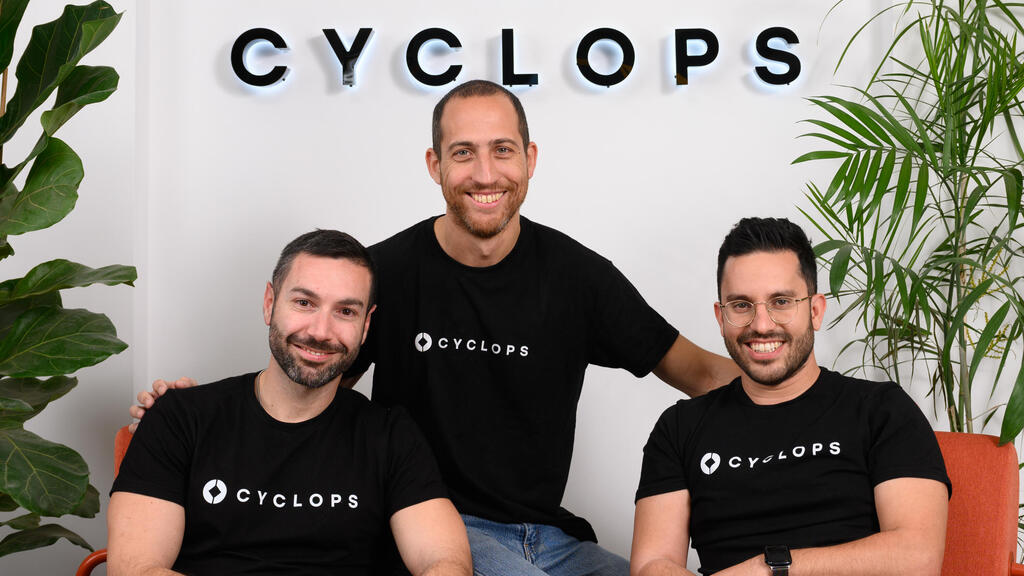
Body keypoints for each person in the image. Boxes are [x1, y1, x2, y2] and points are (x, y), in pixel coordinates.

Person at [131, 80, 739, 575]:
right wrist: (195, 423)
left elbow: (701, 372)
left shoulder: (579, 277)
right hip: (426, 522)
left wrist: (793, 398)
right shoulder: (385, 274)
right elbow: (311, 382)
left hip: (552, 536)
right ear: (435, 164)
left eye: (503, 150)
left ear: (530, 160)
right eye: (463, 152)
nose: (485, 173)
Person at [109, 230, 471, 576]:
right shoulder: (181, 418)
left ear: (365, 326)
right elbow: (134, 568)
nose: (320, 331)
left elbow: (446, 562)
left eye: (346, 311)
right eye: (304, 303)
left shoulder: (391, 436)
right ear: (270, 304)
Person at [630, 217, 950, 576]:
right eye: (741, 305)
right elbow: (652, 565)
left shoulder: (882, 411)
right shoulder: (679, 428)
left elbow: (917, 558)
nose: (761, 324)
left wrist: (768, 569)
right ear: (721, 318)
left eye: (781, 301)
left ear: (815, 310)